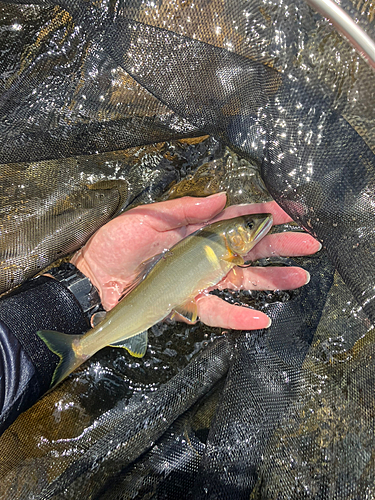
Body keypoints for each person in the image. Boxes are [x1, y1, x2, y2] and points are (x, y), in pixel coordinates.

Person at [0, 193, 321, 436]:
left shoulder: (224, 248)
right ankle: (80, 344)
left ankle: (81, 342)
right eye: (249, 226)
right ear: (232, 239)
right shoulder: (224, 250)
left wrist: (82, 287)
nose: (254, 227)